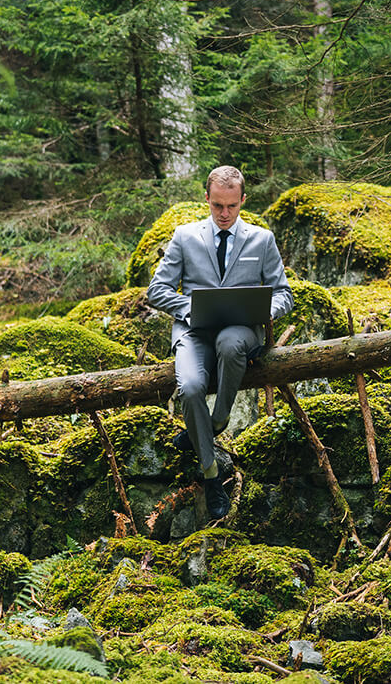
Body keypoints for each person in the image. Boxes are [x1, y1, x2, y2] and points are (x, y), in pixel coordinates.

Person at [147, 165, 293, 519]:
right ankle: (211, 472)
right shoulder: (184, 236)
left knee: (230, 343)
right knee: (192, 387)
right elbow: (157, 290)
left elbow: (284, 294)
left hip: (240, 331)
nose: (224, 214)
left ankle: (216, 422)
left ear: (243, 200)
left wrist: (263, 311)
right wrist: (191, 308)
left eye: (231, 206)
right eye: (217, 206)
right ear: (207, 200)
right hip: (193, 330)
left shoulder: (262, 240)